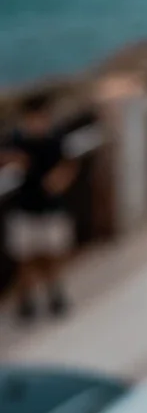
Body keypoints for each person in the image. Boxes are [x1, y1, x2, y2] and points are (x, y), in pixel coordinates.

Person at [3, 92, 79, 321]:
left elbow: (69, 164)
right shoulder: (17, 139)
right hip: (25, 209)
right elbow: (6, 156)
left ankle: (54, 294)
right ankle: (26, 299)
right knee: (25, 258)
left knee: (53, 255)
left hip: (51, 209)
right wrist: (13, 159)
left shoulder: (55, 138)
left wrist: (59, 180)